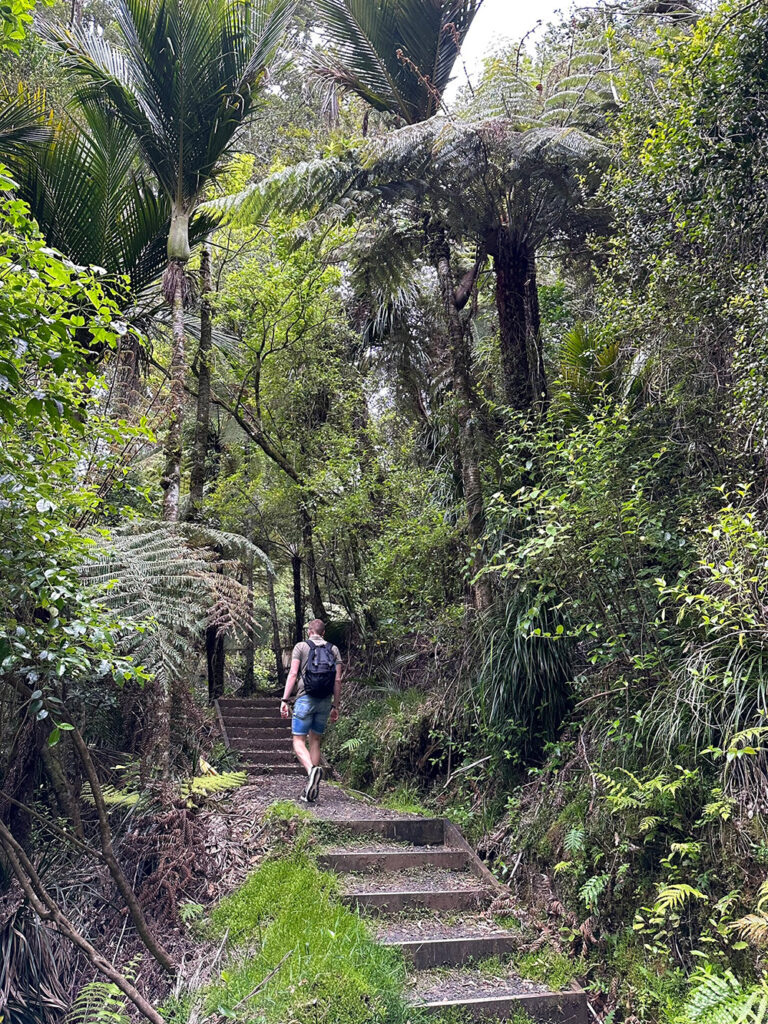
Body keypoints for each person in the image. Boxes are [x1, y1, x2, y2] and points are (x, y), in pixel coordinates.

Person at [280, 619, 342, 802]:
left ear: (309, 632)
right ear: (323, 633)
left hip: (304, 699)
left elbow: (293, 674)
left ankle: (312, 771)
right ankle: (311, 789)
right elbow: (337, 680)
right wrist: (335, 706)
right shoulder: (333, 649)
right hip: (324, 701)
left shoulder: (301, 647)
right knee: (315, 741)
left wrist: (284, 699)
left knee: (298, 741)